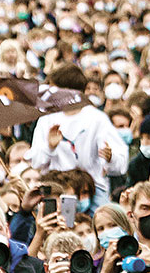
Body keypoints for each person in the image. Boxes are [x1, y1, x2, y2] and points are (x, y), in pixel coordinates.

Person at [26, 64, 129, 210]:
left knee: (106, 217)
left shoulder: (96, 118)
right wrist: (50, 147)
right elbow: (36, 163)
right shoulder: (47, 119)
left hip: (90, 190)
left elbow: (120, 164)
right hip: (57, 190)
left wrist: (110, 157)